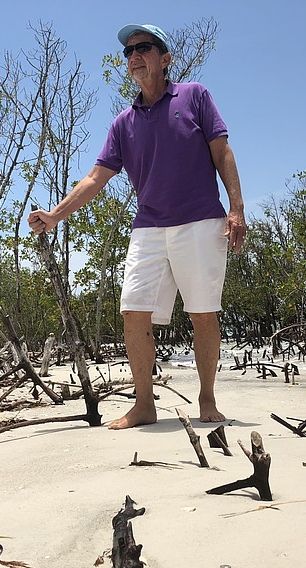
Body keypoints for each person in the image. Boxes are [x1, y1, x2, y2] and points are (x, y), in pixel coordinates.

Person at [28, 23, 246, 430]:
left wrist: (236, 207)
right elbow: (95, 178)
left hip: (200, 219)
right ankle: (143, 404)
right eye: (129, 52)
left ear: (164, 59)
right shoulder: (123, 123)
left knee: (202, 312)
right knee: (133, 308)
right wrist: (56, 215)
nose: (134, 56)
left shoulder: (195, 96)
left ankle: (207, 399)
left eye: (143, 48)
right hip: (148, 227)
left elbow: (222, 149)